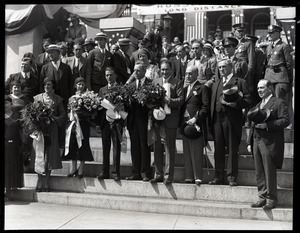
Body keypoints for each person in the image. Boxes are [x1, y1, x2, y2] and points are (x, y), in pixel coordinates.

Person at [247, 79, 289, 209]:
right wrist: (249, 142)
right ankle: (262, 197)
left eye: (262, 88)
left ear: (270, 88)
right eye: (258, 88)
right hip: (256, 141)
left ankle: (271, 199)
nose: (259, 90)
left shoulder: (278, 103)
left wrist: (267, 125)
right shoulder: (258, 104)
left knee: (269, 171)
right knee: (259, 171)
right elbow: (252, 125)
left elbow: (285, 120)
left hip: (269, 142)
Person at [209, 58, 251, 186]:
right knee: (218, 148)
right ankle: (218, 177)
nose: (221, 69)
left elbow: (249, 100)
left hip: (231, 119)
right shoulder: (217, 83)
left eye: (224, 67)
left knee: (232, 148)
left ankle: (231, 177)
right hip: (217, 119)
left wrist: (236, 104)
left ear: (231, 67)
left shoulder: (240, 82)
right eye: (220, 67)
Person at [150, 60, 184, 184]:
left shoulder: (177, 82)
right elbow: (150, 98)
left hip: (171, 119)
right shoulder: (155, 82)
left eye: (167, 69)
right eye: (162, 69)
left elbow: (181, 100)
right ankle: (158, 174)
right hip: (157, 120)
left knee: (169, 147)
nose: (164, 72)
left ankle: (169, 176)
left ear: (171, 70)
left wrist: (169, 101)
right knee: (157, 147)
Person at [32, 77, 66, 192]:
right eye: (45, 85)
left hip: (52, 130)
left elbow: (63, 115)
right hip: (40, 130)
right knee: (39, 156)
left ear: (53, 87)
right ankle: (39, 181)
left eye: (49, 85)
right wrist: (37, 119)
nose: (47, 87)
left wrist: (53, 118)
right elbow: (31, 114)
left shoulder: (57, 99)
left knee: (49, 157)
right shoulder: (37, 98)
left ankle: (46, 182)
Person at [180, 66, 210, 185]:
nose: (188, 76)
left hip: (196, 124)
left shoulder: (203, 88)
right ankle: (189, 176)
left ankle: (198, 176)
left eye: (190, 73)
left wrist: (196, 118)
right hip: (184, 123)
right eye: (186, 74)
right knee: (186, 151)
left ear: (197, 74)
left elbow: (206, 107)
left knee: (196, 151)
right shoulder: (184, 88)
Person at [96, 67, 124, 181]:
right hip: (105, 122)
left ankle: (115, 172)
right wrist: (98, 123)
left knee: (116, 147)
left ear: (115, 75)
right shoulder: (102, 90)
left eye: (111, 75)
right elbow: (99, 108)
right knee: (105, 147)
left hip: (117, 121)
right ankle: (105, 171)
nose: (109, 77)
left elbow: (124, 106)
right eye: (107, 75)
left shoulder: (121, 88)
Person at [126, 61, 152, 181]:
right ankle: (135, 172)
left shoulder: (150, 84)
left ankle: (145, 172)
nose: (135, 73)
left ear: (144, 71)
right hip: (132, 120)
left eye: (138, 70)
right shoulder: (130, 86)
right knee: (134, 146)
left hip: (145, 119)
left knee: (144, 145)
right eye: (134, 70)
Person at [64, 77, 94, 179]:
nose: (80, 86)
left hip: (83, 124)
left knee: (83, 144)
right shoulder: (71, 98)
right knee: (73, 145)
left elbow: (91, 111)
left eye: (82, 84)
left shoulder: (88, 97)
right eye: (78, 84)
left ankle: (81, 168)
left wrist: (82, 112)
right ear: (75, 85)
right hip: (73, 124)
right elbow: (68, 111)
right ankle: (73, 168)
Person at [264, 25, 293, 127]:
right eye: (269, 33)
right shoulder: (268, 47)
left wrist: (288, 78)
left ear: (278, 34)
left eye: (272, 33)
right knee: (270, 101)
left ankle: (286, 123)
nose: (269, 35)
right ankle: (274, 122)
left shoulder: (284, 46)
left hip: (280, 78)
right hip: (269, 78)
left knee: (281, 101)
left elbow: (289, 64)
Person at [5, 95, 24, 201]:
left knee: (12, 168)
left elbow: (22, 130)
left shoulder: (17, 116)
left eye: (7, 103)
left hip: (15, 146)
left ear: (11, 104)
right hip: (5, 145)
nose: (5, 105)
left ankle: (9, 190)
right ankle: (7, 192)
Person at [232, 23, 256, 95]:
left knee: (244, 90)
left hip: (244, 71)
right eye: (238, 31)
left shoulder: (248, 43)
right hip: (233, 70)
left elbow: (251, 59)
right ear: (234, 32)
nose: (240, 33)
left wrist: (249, 72)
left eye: (242, 31)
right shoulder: (232, 43)